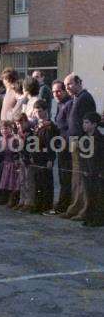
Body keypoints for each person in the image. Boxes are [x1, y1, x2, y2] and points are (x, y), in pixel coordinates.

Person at [61, 74, 96, 221]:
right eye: (66, 85)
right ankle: (75, 207)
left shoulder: (85, 98)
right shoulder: (75, 98)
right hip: (74, 143)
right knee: (76, 178)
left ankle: (84, 210)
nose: (67, 88)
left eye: (69, 84)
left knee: (83, 178)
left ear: (78, 83)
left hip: (82, 143)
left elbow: (89, 123)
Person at [52, 80, 72, 213]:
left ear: (65, 90)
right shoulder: (60, 104)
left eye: (59, 91)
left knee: (66, 177)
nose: (56, 94)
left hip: (67, 145)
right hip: (61, 144)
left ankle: (64, 205)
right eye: (54, 91)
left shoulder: (69, 103)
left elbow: (69, 126)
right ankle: (62, 203)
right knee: (62, 176)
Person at [81, 112, 104, 227]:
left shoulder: (99, 139)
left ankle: (98, 219)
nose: (84, 125)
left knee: (98, 195)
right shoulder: (85, 138)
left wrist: (101, 171)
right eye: (84, 123)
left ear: (94, 124)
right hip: (87, 172)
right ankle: (89, 217)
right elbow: (83, 156)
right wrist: (84, 168)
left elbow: (101, 157)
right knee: (89, 195)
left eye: (87, 123)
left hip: (97, 172)